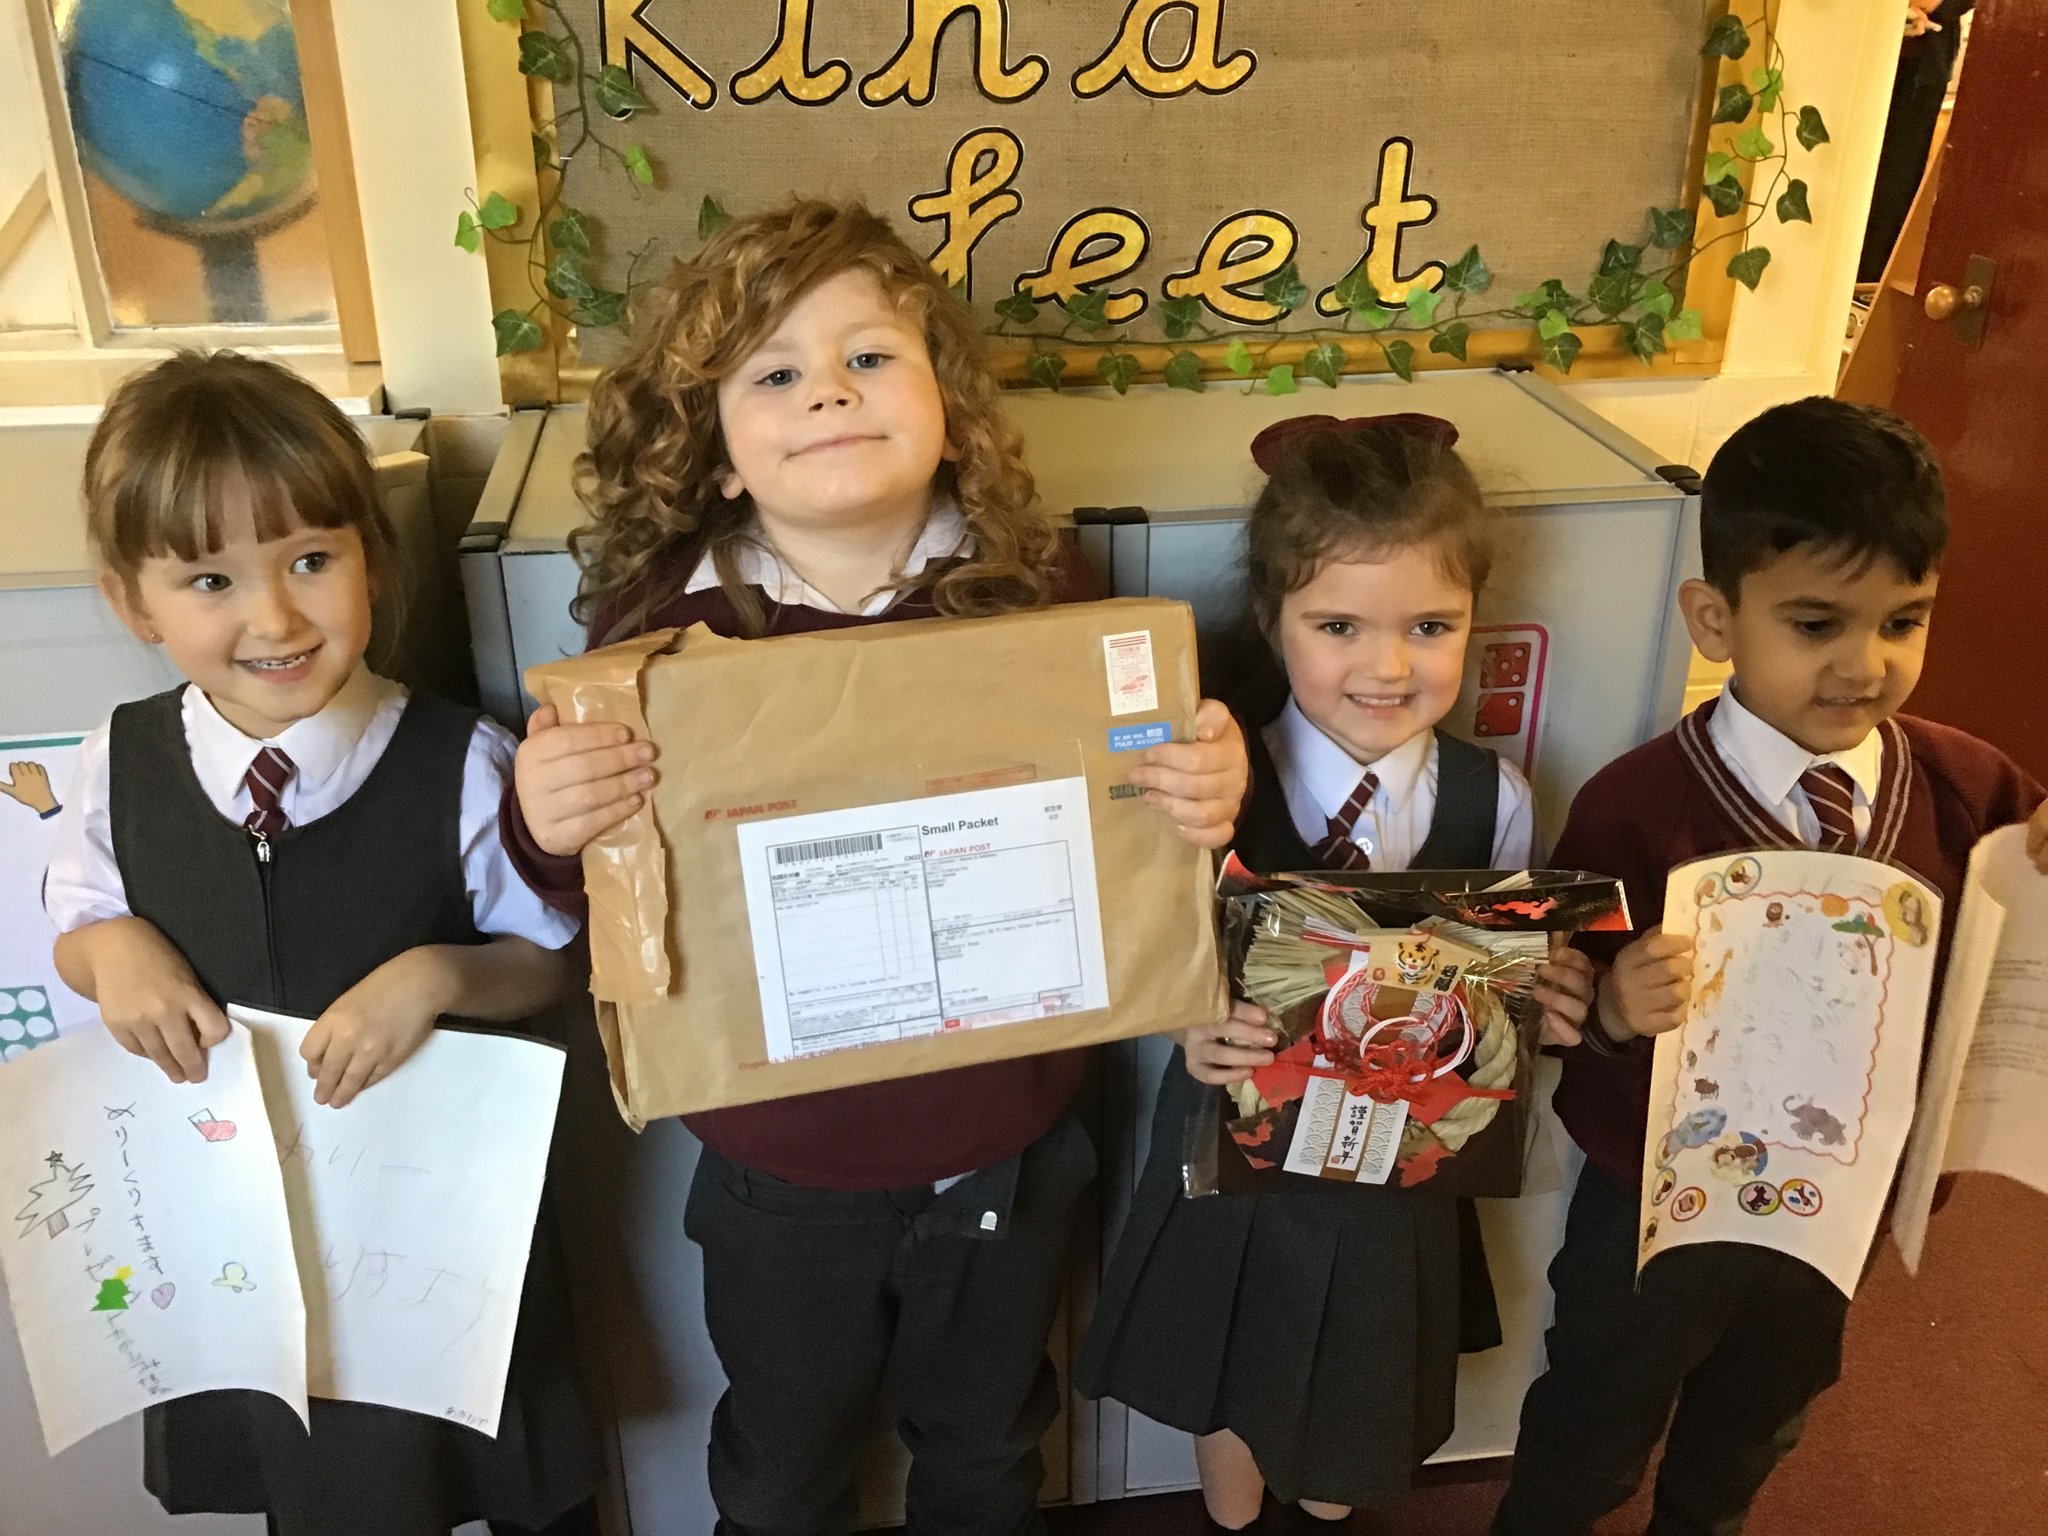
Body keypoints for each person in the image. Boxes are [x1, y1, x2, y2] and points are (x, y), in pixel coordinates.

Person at [503, 197, 1250, 1536]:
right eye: (775, 373)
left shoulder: (1043, 597)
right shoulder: (658, 641)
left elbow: (1142, 825)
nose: (829, 393)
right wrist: (547, 823)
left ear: (946, 404)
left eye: (868, 356)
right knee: (785, 1459)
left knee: (988, 1442)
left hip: (1009, 1145)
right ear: (718, 453)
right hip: (781, 1168)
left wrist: (1204, 786)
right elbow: (599, 901)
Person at [42, 350, 603, 1536]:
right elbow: (79, 929)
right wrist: (120, 949)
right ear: (132, 601)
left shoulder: (462, 761)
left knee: (504, 1474)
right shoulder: (116, 765)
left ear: (370, 560)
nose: (275, 617)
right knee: (321, 1490)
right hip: (244, 1243)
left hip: (433, 1230)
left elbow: (544, 962)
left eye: (310, 560)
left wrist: (438, 973)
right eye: (209, 579)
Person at [1493, 397, 2048, 1536]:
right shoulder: (1634, 804)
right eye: (1814, 624)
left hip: (1839, 1208)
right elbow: (1546, 991)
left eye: (1903, 620)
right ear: (1713, 617)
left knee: (1756, 1422)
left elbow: (2023, 874)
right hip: (1653, 1213)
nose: (1865, 665)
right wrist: (1608, 1008)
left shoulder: (1964, 783)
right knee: (1593, 1426)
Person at [1077, 416, 1595, 1529]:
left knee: (1359, 1375)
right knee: (1229, 1363)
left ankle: (1328, 1505)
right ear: (1272, 622)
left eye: (1428, 624)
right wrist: (1183, 1026)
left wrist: (1542, 1003)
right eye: (1337, 625)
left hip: (1396, 1164)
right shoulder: (1211, 779)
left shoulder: (1490, 796)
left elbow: (1502, 977)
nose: (1387, 664)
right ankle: (1229, 1515)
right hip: (1236, 1131)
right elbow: (1142, 945)